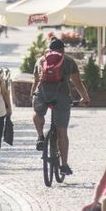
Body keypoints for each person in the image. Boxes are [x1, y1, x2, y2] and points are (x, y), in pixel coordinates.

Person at [31, 38, 90, 177]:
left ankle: (40, 136)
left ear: (49, 49)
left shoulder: (41, 60)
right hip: (61, 97)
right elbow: (77, 82)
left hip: (42, 95)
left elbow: (36, 80)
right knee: (62, 132)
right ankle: (64, 165)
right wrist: (85, 98)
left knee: (38, 113)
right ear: (63, 50)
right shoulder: (68, 61)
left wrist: (32, 94)